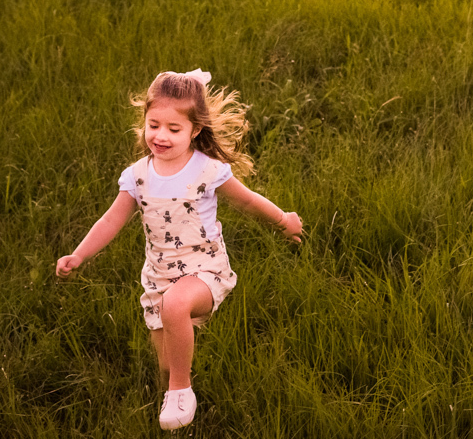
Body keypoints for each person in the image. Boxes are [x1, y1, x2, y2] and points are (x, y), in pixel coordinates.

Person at [55, 69, 303, 431]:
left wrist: (284, 221)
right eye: (154, 125)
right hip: (158, 278)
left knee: (176, 310)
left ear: (195, 131)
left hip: (204, 271)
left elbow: (247, 202)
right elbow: (111, 221)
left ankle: (182, 391)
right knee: (166, 364)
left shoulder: (207, 170)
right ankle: (174, 389)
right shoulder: (137, 176)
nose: (161, 136)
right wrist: (79, 254)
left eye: (174, 129)